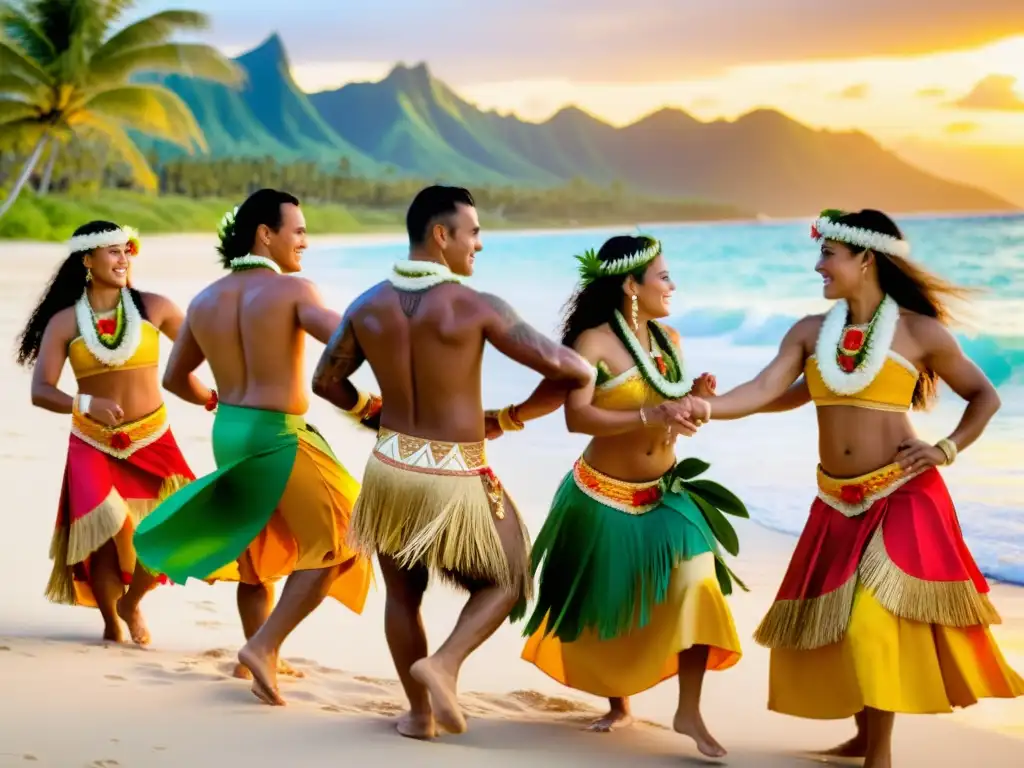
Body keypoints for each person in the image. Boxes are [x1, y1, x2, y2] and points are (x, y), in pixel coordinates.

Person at [701, 209, 1024, 768]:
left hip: (903, 491)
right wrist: (704, 406)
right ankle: (860, 737)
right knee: (843, 618)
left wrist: (945, 447)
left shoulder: (921, 332)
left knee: (872, 619)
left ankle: (881, 756)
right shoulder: (810, 332)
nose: (818, 265)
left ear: (864, 257)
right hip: (836, 497)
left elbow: (984, 396)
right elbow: (767, 389)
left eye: (829, 255)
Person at [310, 185, 595, 740]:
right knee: (509, 576)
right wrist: (510, 417)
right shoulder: (476, 305)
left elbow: (326, 381)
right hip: (456, 475)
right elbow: (572, 368)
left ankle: (419, 715)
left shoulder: (367, 305)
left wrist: (372, 411)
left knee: (402, 596)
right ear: (442, 236)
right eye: (474, 232)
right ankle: (444, 663)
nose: (479, 245)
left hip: (391, 470)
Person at [503, 235, 746, 759]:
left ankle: (689, 708)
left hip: (667, 493)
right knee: (612, 605)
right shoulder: (592, 343)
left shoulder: (670, 340)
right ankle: (619, 703)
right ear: (630, 285)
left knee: (700, 585)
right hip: (600, 495)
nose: (672, 285)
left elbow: (670, 415)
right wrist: (650, 415)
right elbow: (576, 416)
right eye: (662, 277)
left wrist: (692, 401)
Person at [131, 189, 372, 705]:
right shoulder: (294, 291)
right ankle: (263, 647)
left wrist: (216, 399)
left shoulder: (205, 299)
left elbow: (177, 380)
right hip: (277, 434)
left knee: (258, 554)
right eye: (298, 230)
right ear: (266, 233)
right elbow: (347, 341)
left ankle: (258, 653)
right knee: (344, 535)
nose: (304, 240)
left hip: (231, 430)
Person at [15, 221, 209, 646]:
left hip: (153, 436)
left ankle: (131, 601)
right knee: (102, 533)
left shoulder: (154, 307)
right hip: (92, 441)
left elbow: (203, 348)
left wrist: (219, 391)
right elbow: (41, 391)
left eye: (127, 251)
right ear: (87, 260)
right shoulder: (65, 322)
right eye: (113, 252)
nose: (124, 259)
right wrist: (87, 404)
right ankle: (111, 623)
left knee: (169, 529)